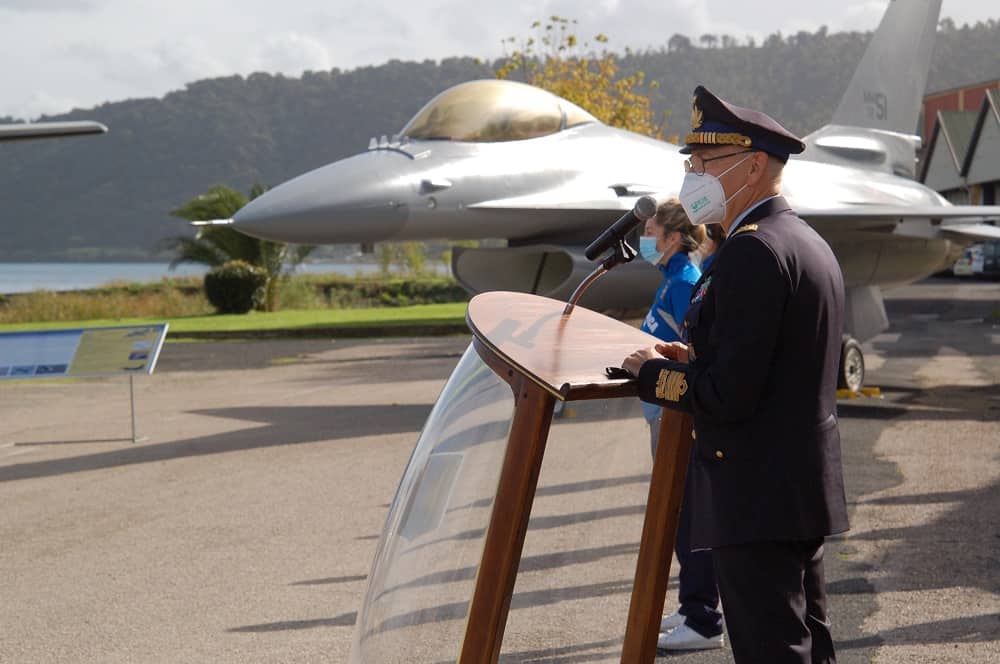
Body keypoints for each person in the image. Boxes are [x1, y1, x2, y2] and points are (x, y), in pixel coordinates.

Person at [622, 86, 849, 663]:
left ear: (752, 167)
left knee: (773, 653)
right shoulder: (804, 241)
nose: (692, 177)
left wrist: (653, 376)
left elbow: (730, 395)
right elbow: (770, 367)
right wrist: (693, 361)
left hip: (754, 496)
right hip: (795, 489)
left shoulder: (752, 252)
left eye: (703, 164)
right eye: (690, 164)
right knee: (807, 649)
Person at [637, 202, 724, 651]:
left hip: (679, 419)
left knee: (691, 518)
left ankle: (705, 619)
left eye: (652, 231)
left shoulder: (686, 282)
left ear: (672, 238)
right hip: (663, 415)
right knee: (679, 517)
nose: (647, 239)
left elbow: (695, 351)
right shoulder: (671, 280)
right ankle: (693, 607)